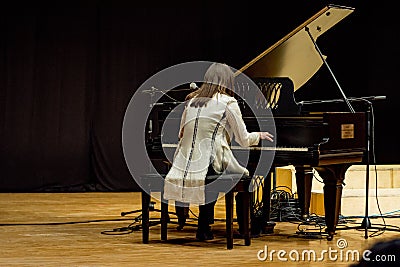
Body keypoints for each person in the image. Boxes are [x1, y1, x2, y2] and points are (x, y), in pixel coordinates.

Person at [163, 62, 274, 241]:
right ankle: (247, 228)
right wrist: (259, 135)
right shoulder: (228, 102)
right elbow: (244, 140)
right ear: (227, 82)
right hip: (210, 160)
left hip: (184, 162)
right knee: (246, 176)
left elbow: (180, 134)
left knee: (209, 173)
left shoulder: (191, 100)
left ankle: (204, 227)